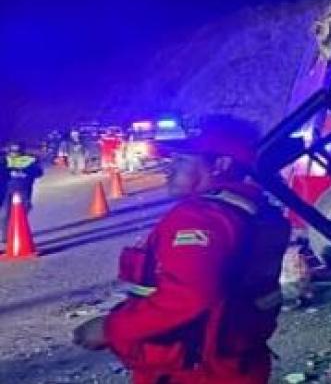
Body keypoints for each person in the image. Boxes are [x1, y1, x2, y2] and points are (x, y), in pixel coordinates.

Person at [73, 115, 291, 384]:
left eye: (182, 161)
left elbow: (189, 295)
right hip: (239, 361)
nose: (169, 169)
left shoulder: (199, 218)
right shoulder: (257, 210)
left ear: (220, 164)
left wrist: (110, 328)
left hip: (192, 371)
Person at [3, 142, 43, 238]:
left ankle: (20, 232)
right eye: (12, 151)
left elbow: (38, 172)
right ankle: (7, 236)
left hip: (24, 189)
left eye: (16, 151)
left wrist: (25, 172)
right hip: (7, 190)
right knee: (6, 214)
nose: (14, 153)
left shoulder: (30, 160)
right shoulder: (5, 160)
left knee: (23, 210)